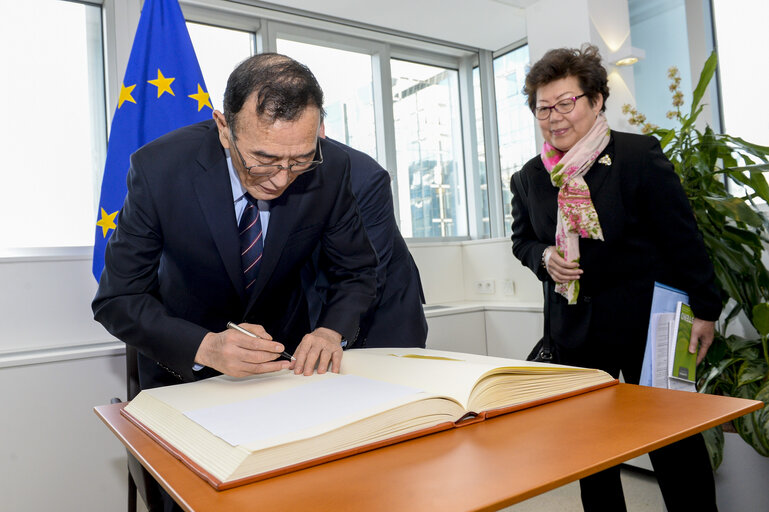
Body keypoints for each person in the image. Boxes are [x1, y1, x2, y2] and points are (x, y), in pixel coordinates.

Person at [509, 44, 721, 512]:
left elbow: (681, 237)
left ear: (597, 99)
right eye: (543, 107)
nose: (554, 117)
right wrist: (544, 255)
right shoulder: (528, 178)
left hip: (651, 326)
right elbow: (521, 240)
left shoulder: (637, 155)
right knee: (593, 451)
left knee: (674, 443)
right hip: (576, 333)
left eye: (566, 102)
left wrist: (706, 310)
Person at [303, 128, 428, 348]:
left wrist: (331, 329)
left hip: (383, 314)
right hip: (315, 311)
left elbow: (368, 270)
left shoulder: (363, 176)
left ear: (320, 129)